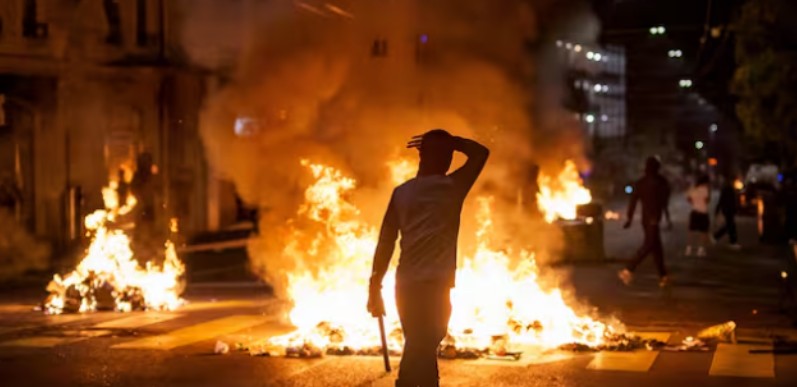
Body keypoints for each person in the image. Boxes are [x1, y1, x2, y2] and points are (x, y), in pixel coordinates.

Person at [367, 129, 489, 387]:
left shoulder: (402, 193)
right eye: (447, 155)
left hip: (406, 285)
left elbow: (386, 241)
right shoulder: (453, 187)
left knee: (420, 345)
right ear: (444, 158)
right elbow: (480, 153)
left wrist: (375, 286)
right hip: (435, 286)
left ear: (420, 156)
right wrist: (453, 143)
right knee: (423, 345)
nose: (449, 161)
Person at [618, 156, 672, 288]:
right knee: (649, 245)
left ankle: (663, 276)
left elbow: (633, 202)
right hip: (653, 218)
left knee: (656, 247)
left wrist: (629, 219)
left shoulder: (641, 183)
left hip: (646, 219)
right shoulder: (661, 182)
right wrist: (667, 217)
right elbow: (664, 202)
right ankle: (628, 269)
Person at [686, 175, 711, 257]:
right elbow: (707, 200)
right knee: (703, 232)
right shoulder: (705, 189)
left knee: (691, 231)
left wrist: (694, 202)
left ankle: (688, 249)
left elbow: (688, 198)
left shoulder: (693, 188)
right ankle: (700, 250)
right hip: (703, 212)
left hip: (694, 211)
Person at [713, 175, 740, 249]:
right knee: (731, 226)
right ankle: (732, 242)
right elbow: (722, 200)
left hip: (728, 209)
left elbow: (722, 200)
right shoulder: (728, 189)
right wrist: (718, 210)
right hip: (728, 209)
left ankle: (716, 237)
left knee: (729, 226)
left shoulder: (729, 189)